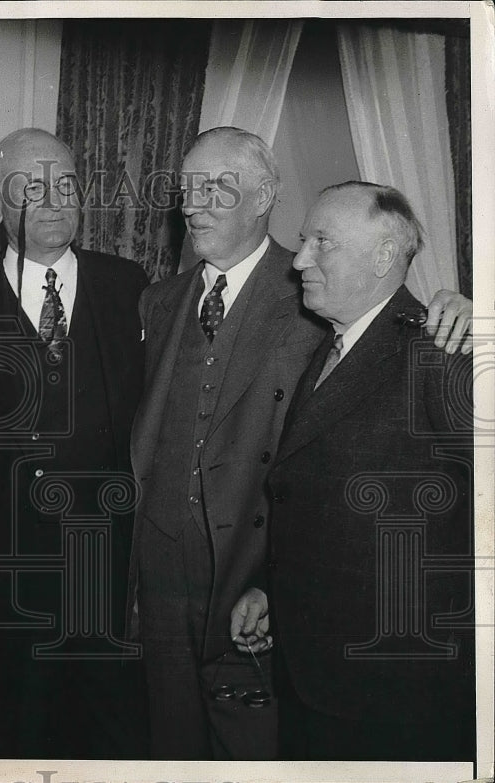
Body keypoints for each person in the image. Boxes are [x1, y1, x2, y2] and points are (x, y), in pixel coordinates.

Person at [129, 126, 473, 760]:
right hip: (179, 591)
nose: (193, 202)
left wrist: (463, 313)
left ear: (265, 197)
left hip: (338, 645)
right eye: (186, 188)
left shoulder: (323, 306)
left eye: (217, 187)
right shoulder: (157, 301)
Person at [245, 181, 474, 760]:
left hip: (393, 691)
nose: (299, 260)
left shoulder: (444, 351)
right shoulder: (331, 345)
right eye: (303, 242)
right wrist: (275, 590)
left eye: (323, 242)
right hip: (313, 673)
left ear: (381, 257)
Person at [0, 128, 149, 758]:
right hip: (9, 582)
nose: (52, 200)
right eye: (30, 187)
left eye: (65, 184)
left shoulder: (132, 287)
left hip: (114, 572)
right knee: (17, 743)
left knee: (114, 745)